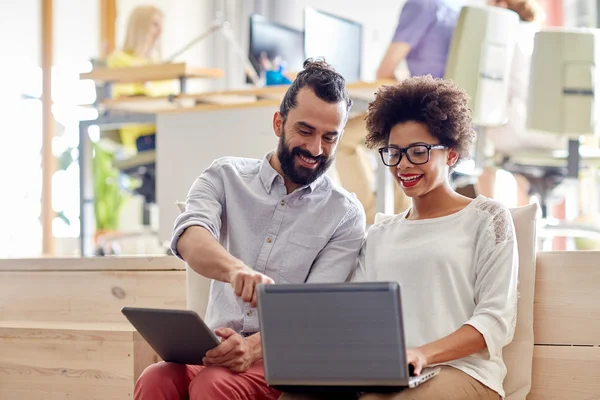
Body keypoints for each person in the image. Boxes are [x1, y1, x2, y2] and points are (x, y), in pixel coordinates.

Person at [134, 59, 366, 400]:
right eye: (305, 131)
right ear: (278, 123)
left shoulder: (345, 214)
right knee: (157, 377)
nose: (316, 149)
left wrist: (255, 347)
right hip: (214, 346)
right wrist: (237, 271)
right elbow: (190, 235)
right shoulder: (224, 176)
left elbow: (313, 308)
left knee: (213, 384)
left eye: (329, 138)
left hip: (284, 356)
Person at [354, 76, 517, 400]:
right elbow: (357, 310)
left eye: (418, 152)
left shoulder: (486, 219)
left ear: (452, 154)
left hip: (465, 373)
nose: (403, 165)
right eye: (394, 152)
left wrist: (422, 354)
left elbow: (494, 320)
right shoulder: (381, 233)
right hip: (392, 376)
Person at [337, 0, 463, 225]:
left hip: (425, 114)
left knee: (342, 138)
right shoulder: (454, 12)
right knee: (398, 146)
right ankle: (396, 221)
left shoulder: (422, 5)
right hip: (455, 120)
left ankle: (370, 219)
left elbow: (384, 71)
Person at [476, 0, 545, 207]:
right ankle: (528, 216)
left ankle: (489, 216)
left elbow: (493, 90)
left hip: (518, 133)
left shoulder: (503, 36)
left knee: (479, 145)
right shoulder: (539, 35)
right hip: (554, 136)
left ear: (502, 5)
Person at [106, 5, 170, 154]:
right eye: (154, 25)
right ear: (139, 27)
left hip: (166, 128)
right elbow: (124, 99)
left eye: (161, 26)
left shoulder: (156, 64)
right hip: (143, 134)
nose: (160, 32)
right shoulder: (119, 60)